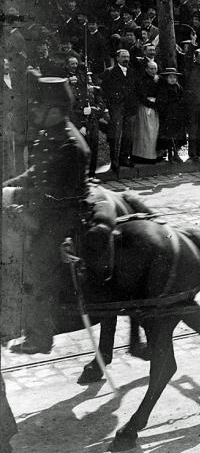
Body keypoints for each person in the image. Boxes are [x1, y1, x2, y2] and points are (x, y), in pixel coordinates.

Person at [3, 74, 89, 354]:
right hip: (47, 206)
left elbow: (53, 191)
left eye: (40, 108)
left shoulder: (69, 144)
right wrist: (9, 186)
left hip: (63, 213)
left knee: (38, 261)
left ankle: (40, 337)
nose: (36, 113)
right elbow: (36, 173)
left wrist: (15, 197)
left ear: (56, 111)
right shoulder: (50, 133)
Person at [100, 48, 138, 171]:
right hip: (116, 107)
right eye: (123, 57)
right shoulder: (109, 72)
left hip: (130, 107)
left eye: (127, 56)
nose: (126, 59)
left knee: (129, 134)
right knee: (115, 134)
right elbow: (104, 91)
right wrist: (106, 108)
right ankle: (114, 160)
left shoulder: (132, 71)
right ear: (117, 58)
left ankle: (124, 158)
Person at [133, 59, 160, 162]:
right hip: (146, 106)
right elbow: (141, 96)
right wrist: (151, 104)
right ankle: (143, 155)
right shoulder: (143, 80)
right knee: (146, 131)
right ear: (146, 69)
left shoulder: (158, 79)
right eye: (151, 69)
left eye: (155, 69)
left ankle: (153, 154)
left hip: (155, 106)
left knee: (154, 131)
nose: (153, 71)